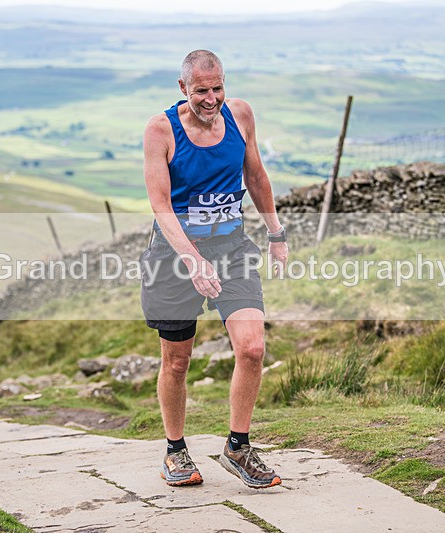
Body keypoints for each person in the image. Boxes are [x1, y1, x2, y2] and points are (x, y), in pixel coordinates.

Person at [140, 49, 288, 489]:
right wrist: (192, 258)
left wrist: (275, 234)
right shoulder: (160, 129)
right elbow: (160, 206)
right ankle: (175, 451)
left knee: (252, 348)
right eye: (202, 90)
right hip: (173, 253)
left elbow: (257, 177)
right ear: (183, 88)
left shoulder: (240, 116)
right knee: (177, 360)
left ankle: (238, 447)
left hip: (231, 247)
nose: (212, 98)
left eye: (218, 87)